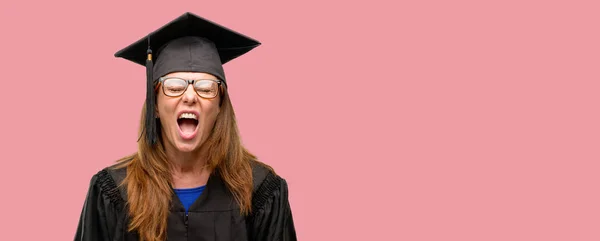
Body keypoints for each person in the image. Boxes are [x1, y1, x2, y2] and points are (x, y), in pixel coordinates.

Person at [74, 12, 297, 241]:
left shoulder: (261, 193)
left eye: (206, 87)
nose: (190, 96)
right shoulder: (114, 193)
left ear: (220, 105)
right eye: (173, 86)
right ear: (156, 106)